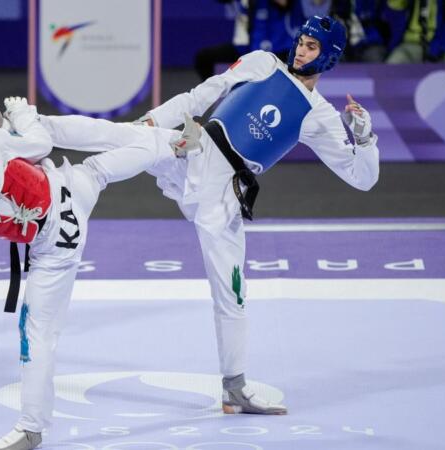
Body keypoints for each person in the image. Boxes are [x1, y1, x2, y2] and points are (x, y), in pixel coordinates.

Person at [39, 15, 380, 416]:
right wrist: (153, 120)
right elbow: (202, 94)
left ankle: (234, 387)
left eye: (312, 47)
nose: (301, 50)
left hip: (225, 196)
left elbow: (363, 178)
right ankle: (33, 128)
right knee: (125, 135)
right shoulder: (263, 63)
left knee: (232, 295)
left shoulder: (319, 115)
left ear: (330, 57)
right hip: (194, 150)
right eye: (302, 41)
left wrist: (364, 136)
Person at [0, 79, 188, 450]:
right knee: (99, 168)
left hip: (53, 243)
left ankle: (32, 426)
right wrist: (21, 117)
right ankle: (173, 143)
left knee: (37, 334)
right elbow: (39, 144)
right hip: (66, 192)